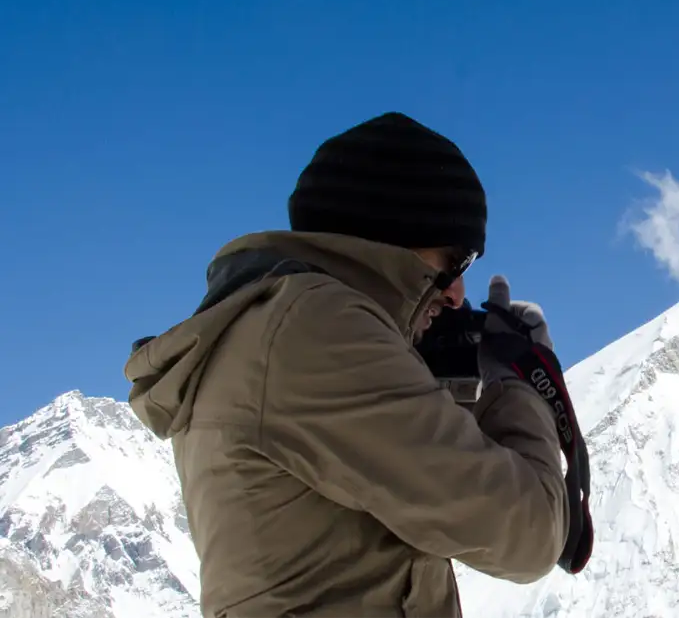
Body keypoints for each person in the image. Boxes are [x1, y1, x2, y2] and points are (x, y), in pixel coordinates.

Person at [124, 112, 569, 617]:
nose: (457, 292)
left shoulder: (274, 324)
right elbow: (528, 534)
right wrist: (516, 385)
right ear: (392, 236)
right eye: (455, 261)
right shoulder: (316, 329)